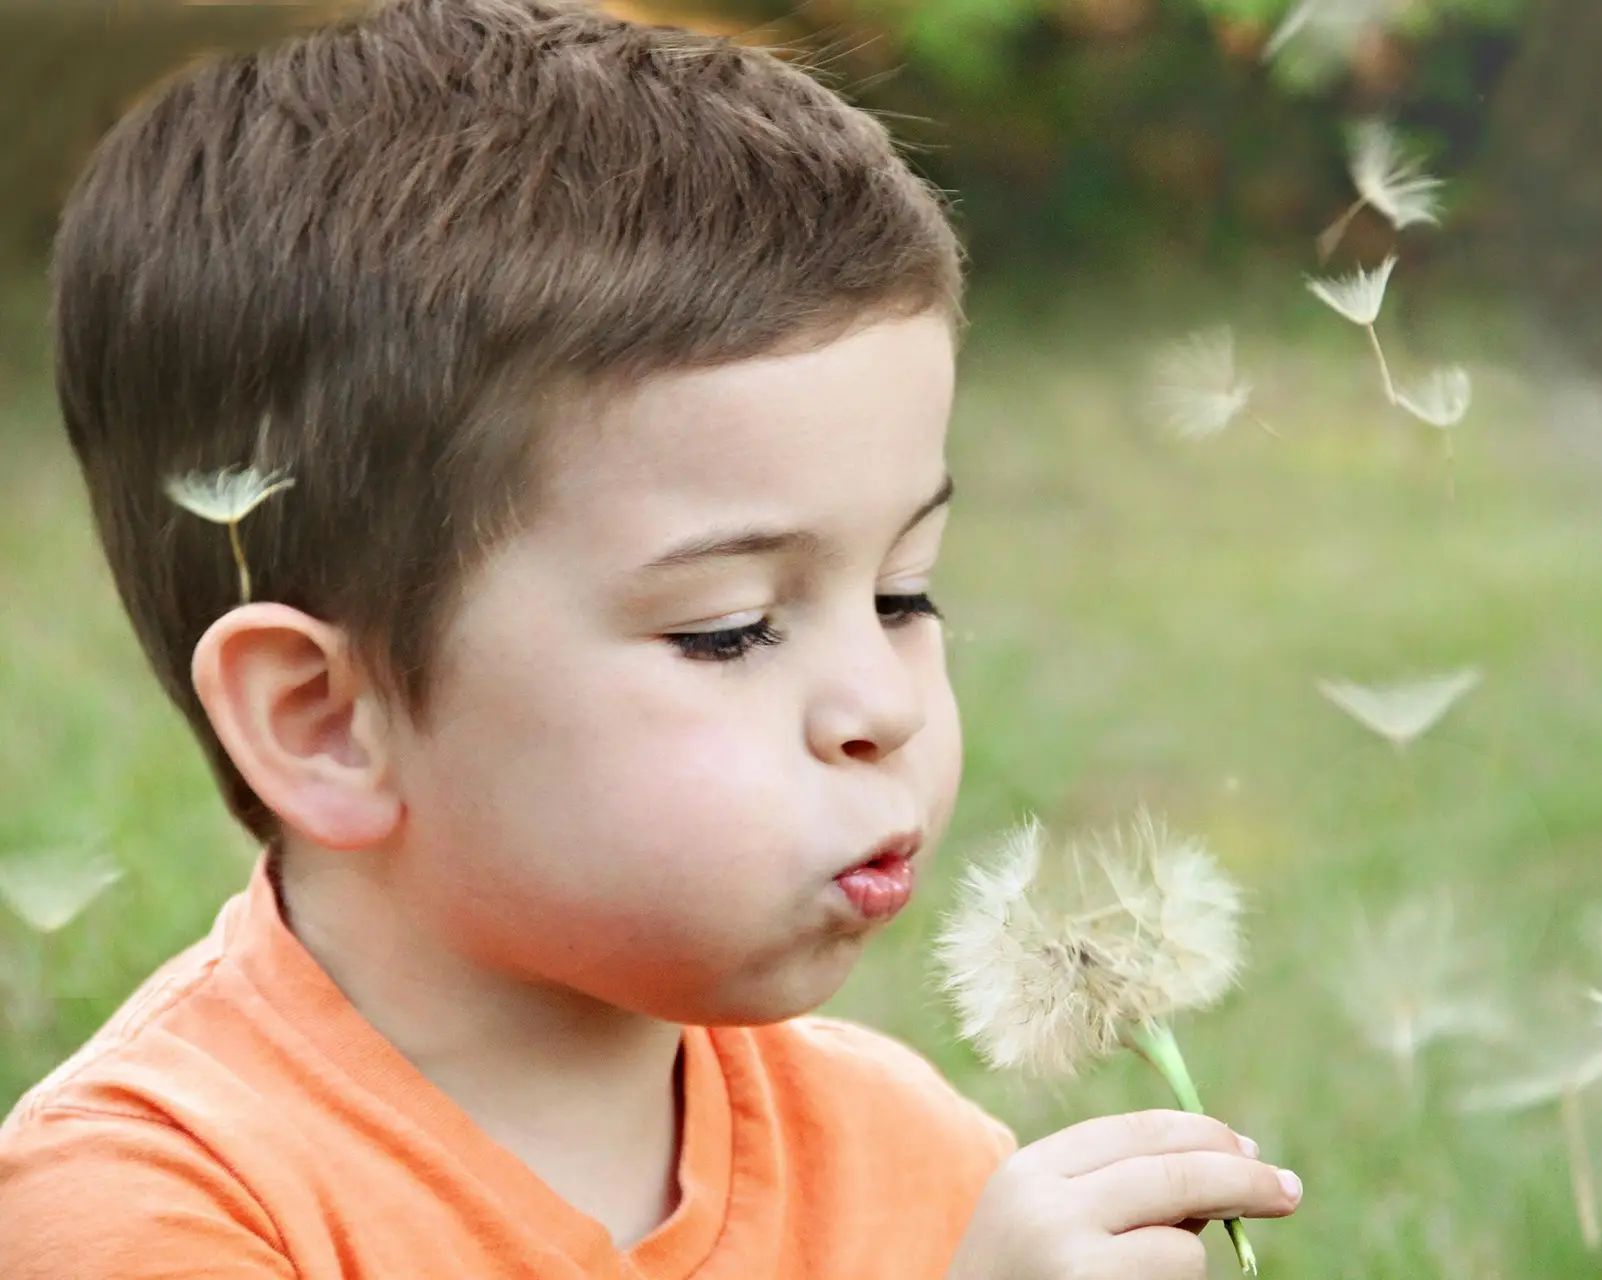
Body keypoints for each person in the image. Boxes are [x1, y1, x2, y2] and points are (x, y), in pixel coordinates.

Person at [0, 1, 1303, 1275]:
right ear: (326, 721)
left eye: (903, 594)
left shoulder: (914, 1157)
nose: (883, 705)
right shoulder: (147, 1207)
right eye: (731, 632)